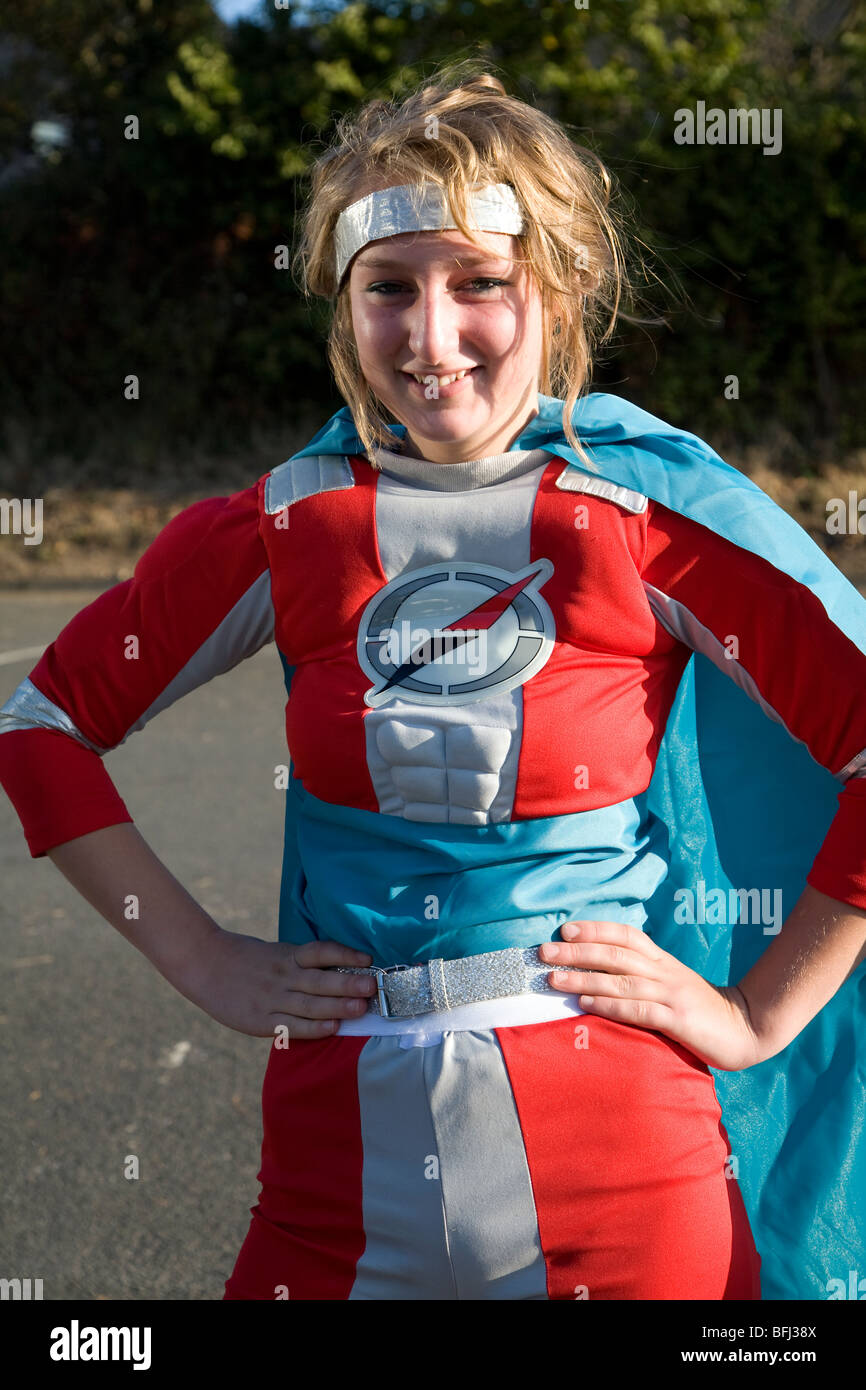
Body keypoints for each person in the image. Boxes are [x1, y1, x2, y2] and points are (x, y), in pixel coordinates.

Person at [1, 65, 865, 1302]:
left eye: (480, 283)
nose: (429, 335)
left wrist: (755, 1016)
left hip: (628, 1186)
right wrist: (203, 959)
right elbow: (42, 726)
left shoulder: (648, 524)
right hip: (329, 1179)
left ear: (558, 289)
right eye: (387, 288)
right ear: (342, 304)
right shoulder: (281, 527)